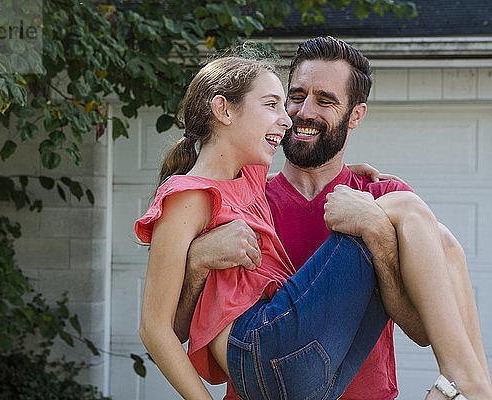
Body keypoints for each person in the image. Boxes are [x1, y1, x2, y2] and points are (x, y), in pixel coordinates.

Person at [134, 54, 492, 400]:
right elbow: (166, 327)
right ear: (224, 109)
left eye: (325, 101)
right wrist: (197, 260)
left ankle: (474, 382)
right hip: (268, 363)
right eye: (292, 98)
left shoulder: (375, 193)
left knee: (439, 235)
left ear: (355, 116)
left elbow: (421, 329)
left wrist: (375, 226)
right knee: (406, 209)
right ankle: (469, 381)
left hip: (329, 382)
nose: (298, 115)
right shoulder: (246, 193)